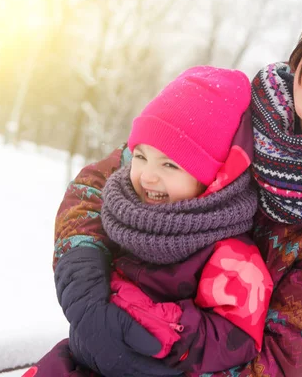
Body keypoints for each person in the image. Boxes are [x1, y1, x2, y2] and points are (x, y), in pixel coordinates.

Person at [32, 0, 302, 376]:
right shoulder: (230, 110)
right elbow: (98, 185)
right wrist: (83, 284)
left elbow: (285, 363)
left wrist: (156, 363)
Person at [30, 66, 275, 376]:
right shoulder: (123, 212)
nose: (147, 175)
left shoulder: (230, 253)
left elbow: (236, 336)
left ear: (215, 178)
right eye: (141, 156)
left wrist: (164, 328)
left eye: (170, 165)